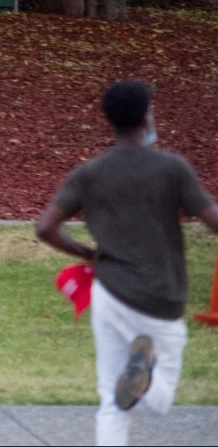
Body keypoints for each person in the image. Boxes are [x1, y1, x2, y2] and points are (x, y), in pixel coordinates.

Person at [36, 79, 218, 447]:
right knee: (160, 403)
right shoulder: (172, 168)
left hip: (110, 293)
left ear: (110, 120)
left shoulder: (91, 173)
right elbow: (212, 218)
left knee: (111, 399)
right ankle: (145, 379)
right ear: (146, 116)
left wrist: (87, 253)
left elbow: (45, 228)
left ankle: (137, 378)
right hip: (161, 298)